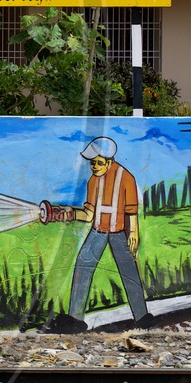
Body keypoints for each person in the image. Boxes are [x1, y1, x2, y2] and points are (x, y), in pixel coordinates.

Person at [47, 136, 152, 333]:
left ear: (110, 161)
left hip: (119, 232)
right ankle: (75, 319)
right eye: (92, 162)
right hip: (98, 231)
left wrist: (134, 232)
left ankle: (142, 317)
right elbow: (89, 215)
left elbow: (131, 210)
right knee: (82, 267)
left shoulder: (126, 177)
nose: (94, 166)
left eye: (99, 162)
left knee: (128, 272)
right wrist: (67, 213)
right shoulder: (93, 182)